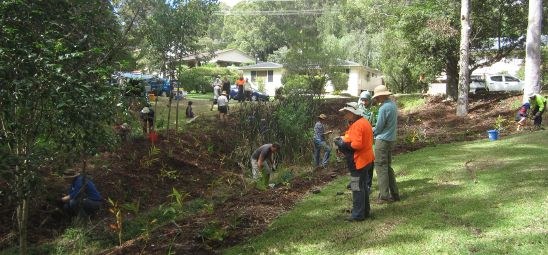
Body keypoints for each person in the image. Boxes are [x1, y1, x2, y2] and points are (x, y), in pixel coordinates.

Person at [335, 106, 374, 221]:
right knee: (363, 186)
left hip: (359, 161)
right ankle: (365, 211)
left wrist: (342, 145)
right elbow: (352, 137)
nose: (345, 115)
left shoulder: (357, 125)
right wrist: (344, 140)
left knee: (356, 187)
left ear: (353, 113)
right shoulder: (364, 122)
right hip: (367, 159)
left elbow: (357, 145)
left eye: (347, 113)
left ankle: (357, 215)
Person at [372, 85, 400, 204]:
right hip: (391, 139)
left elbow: (379, 127)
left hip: (382, 140)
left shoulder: (383, 108)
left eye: (377, 97)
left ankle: (384, 195)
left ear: (382, 95)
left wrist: (371, 130)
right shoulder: (393, 105)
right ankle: (395, 193)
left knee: (381, 167)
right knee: (387, 167)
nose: (376, 99)